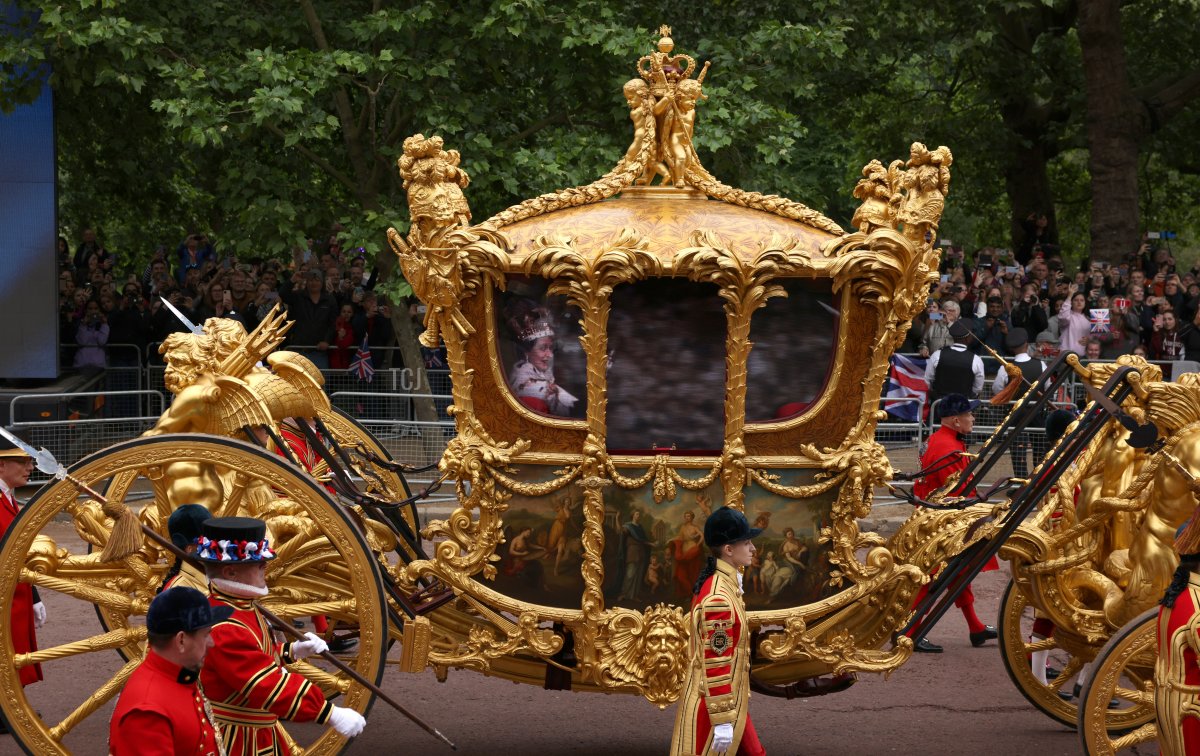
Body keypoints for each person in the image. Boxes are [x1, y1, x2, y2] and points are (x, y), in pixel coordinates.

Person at [197, 516, 365, 753]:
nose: (265, 567)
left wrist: (291, 650)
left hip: (253, 731)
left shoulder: (238, 606)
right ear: (231, 572)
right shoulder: (226, 626)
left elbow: (254, 653)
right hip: (237, 739)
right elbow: (266, 685)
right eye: (258, 564)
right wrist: (329, 713)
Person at [670, 506, 766, 756]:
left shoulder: (721, 584)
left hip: (727, 700)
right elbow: (716, 661)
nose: (753, 549)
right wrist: (722, 719)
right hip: (714, 705)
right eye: (747, 543)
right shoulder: (719, 598)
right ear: (728, 550)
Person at [909, 394, 998, 653]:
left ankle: (976, 627)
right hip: (943, 523)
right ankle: (910, 632)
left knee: (959, 574)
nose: (973, 418)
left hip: (934, 517)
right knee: (934, 578)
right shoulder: (950, 448)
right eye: (969, 414)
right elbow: (956, 494)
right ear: (956, 420)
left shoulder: (940, 440)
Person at [108, 587, 232, 755]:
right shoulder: (146, 713)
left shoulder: (179, 675)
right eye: (205, 635)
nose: (211, 643)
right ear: (181, 640)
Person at [0, 432, 45, 732]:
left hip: (15, 591)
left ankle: (9, 707)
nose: (29, 468)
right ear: (1, 466)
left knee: (12, 651)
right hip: (5, 593)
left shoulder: (8, 497)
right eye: (22, 462)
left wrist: (34, 595)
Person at [992, 328, 1048, 478]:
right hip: (1036, 412)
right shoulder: (1041, 365)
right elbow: (1048, 387)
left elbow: (997, 389)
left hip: (1014, 413)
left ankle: (1020, 480)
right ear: (1026, 344)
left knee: (1018, 449)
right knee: (1040, 447)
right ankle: (1038, 479)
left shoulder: (1005, 368)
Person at [506, 311, 578, 416]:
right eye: (543, 348)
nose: (550, 355)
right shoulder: (525, 384)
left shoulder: (541, 373)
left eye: (550, 348)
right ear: (527, 352)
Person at [924, 319, 984, 408]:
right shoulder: (976, 360)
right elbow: (977, 388)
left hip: (939, 405)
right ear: (968, 337)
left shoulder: (937, 355)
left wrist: (936, 395)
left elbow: (927, 381)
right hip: (962, 407)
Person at [159, 504, 212, 593]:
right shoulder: (179, 589)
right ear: (189, 549)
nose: (213, 546)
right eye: (206, 543)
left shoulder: (211, 579)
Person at [617, 508, 655, 603]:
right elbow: (621, 530)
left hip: (641, 552)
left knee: (638, 575)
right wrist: (617, 519)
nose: (639, 516)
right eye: (637, 514)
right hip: (632, 552)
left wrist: (650, 544)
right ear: (633, 515)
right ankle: (623, 594)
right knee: (630, 574)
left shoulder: (640, 527)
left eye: (639, 514)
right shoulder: (628, 526)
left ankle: (634, 595)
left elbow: (643, 540)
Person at [1057, 287, 1092, 356]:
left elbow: (1096, 336)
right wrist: (1069, 296)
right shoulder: (1068, 316)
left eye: (1082, 300)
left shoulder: (1088, 320)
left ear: (1085, 303)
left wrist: (1090, 340)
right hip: (1066, 355)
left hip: (1083, 356)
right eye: (1076, 300)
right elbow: (1063, 316)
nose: (1079, 302)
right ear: (1071, 302)